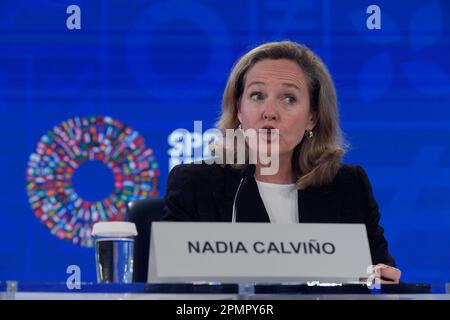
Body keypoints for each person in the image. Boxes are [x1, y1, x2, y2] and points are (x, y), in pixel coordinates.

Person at [162, 41, 401, 284]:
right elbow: (173, 292)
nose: (269, 112)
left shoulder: (348, 187)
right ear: (239, 110)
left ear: (312, 117)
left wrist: (384, 283)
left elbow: (380, 277)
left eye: (288, 99)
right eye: (257, 96)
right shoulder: (195, 185)